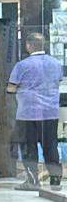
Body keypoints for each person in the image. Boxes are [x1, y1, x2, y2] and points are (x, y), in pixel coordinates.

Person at [7, 32, 63, 190]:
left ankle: (32, 181)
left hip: (28, 113)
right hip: (50, 112)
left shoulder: (22, 65)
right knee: (50, 146)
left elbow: (11, 88)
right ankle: (55, 180)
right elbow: (57, 81)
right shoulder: (56, 64)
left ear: (28, 45)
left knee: (28, 147)